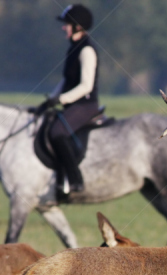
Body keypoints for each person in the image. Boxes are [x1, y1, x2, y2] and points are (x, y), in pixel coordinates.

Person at [37, 4, 99, 196]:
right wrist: (51, 100)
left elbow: (86, 86)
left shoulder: (86, 50)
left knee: (57, 132)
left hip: (85, 105)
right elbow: (67, 80)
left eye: (67, 24)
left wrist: (61, 100)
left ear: (78, 26)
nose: (64, 27)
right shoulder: (73, 48)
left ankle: (75, 179)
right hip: (73, 103)